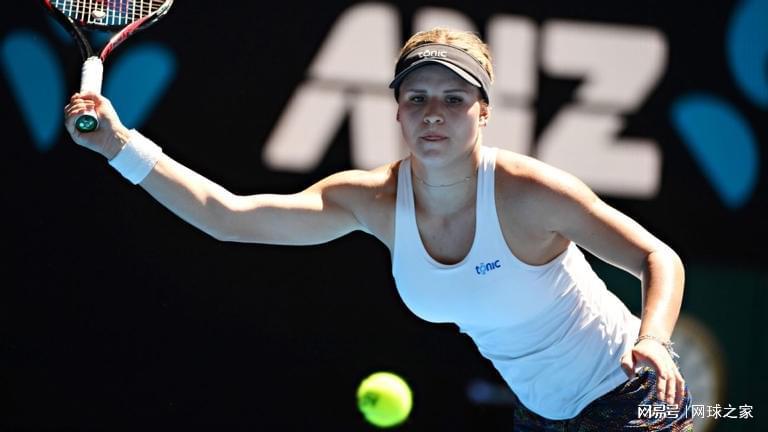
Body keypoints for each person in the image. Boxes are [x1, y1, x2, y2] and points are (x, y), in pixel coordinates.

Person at [64, 27, 693, 430]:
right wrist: (120, 146)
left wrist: (656, 341)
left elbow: (657, 257)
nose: (433, 113)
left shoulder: (529, 192)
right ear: (397, 112)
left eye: (454, 99)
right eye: (417, 98)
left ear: (484, 113)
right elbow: (226, 217)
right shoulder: (371, 200)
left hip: (630, 396)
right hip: (539, 414)